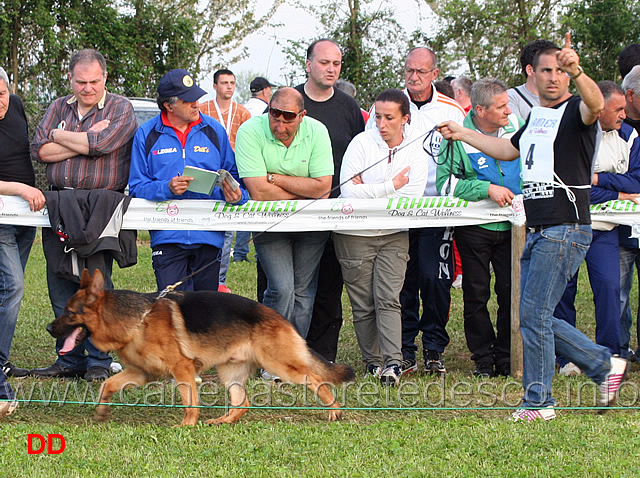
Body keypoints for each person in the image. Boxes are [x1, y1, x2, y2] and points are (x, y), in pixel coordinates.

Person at [439, 33, 627, 421]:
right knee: (535, 315)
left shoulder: (576, 110)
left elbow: (596, 103)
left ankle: (540, 401)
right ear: (533, 74)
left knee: (535, 316)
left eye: (561, 71)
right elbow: (509, 149)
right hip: (541, 227)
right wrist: (463, 133)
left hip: (565, 227)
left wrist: (578, 70)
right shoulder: (537, 117)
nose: (554, 77)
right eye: (548, 71)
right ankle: (602, 365)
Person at [30, 49, 137, 382]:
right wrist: (81, 140)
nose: (87, 88)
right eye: (81, 82)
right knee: (59, 279)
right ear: (71, 79)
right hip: (59, 203)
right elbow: (39, 150)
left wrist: (60, 137)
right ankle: (69, 358)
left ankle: (98, 360)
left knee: (95, 285)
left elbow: (103, 144)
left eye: (93, 81)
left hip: (100, 206)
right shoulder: (58, 107)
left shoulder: (121, 107)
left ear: (105, 77)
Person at [368, 47, 466, 376]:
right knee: (402, 280)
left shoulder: (451, 108)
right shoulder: (385, 108)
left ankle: (434, 347)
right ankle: (405, 348)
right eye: (409, 70)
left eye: (421, 72)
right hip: (397, 209)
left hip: (436, 209)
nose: (414, 77)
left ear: (434, 73)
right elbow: (373, 149)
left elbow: (463, 157)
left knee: (434, 277)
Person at [335, 88, 428, 386]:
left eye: (389, 118)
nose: (382, 124)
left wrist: (372, 189)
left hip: (394, 234)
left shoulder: (415, 147)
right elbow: (348, 191)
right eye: (377, 116)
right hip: (353, 234)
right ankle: (372, 362)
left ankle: (392, 363)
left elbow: (412, 194)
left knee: (388, 298)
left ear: (405, 119)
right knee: (362, 303)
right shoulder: (361, 143)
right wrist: (391, 185)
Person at [128, 69, 248, 292]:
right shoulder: (146, 133)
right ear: (169, 105)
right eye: (188, 100)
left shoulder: (214, 130)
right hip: (167, 236)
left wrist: (236, 194)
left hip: (209, 234)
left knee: (205, 314)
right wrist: (167, 188)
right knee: (173, 310)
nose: (196, 104)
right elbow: (136, 187)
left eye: (196, 98)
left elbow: (236, 180)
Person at [436, 78, 524, 378]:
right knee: (476, 293)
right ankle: (483, 359)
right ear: (479, 110)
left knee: (511, 291)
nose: (508, 112)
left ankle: (507, 355)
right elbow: (445, 183)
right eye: (501, 107)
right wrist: (486, 188)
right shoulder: (454, 135)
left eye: (508, 104)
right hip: (474, 226)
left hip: (515, 227)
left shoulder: (518, 125)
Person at [554, 81, 640, 375]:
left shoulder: (630, 135)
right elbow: (573, 185)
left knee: (609, 289)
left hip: (605, 230)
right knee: (564, 290)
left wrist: (599, 180)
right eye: (618, 109)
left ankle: (610, 355)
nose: (624, 115)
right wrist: (614, 190)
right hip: (568, 223)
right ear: (599, 110)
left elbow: (636, 183)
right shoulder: (575, 133)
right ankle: (567, 359)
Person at [235, 87, 333, 339]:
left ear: (302, 116)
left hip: (311, 226)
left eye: (287, 118)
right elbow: (259, 192)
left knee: (302, 291)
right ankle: (270, 352)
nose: (279, 125)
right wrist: (304, 189)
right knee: (281, 289)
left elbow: (323, 188)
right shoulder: (249, 130)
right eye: (274, 116)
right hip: (269, 224)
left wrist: (274, 178)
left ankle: (293, 354)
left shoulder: (318, 131)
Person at [295, 39, 365, 362]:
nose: (331, 69)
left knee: (327, 287)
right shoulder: (289, 101)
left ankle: (323, 355)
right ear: (308, 64)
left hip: (335, 211)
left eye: (336, 64)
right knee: (284, 287)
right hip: (290, 210)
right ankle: (278, 353)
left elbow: (362, 156)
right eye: (325, 63)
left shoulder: (349, 108)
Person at [0, 67, 46, 379]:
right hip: (2, 216)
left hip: (26, 217)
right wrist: (20, 188)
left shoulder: (16, 106)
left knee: (5, 288)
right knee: (13, 286)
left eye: (1, 94)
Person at [199, 69, 252, 291]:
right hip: (208, 169)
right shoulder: (203, 109)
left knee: (228, 225)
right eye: (224, 83)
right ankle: (204, 273)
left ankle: (220, 279)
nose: (229, 87)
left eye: (232, 82)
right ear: (215, 86)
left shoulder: (242, 113)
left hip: (232, 171)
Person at [618, 65, 640, 362]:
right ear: (631, 94)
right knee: (618, 292)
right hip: (620, 223)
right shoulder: (614, 126)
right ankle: (619, 351)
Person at [508, 39, 559, 120]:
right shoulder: (511, 98)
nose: (554, 77)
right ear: (530, 70)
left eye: (558, 70)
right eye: (547, 70)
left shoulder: (564, 100)